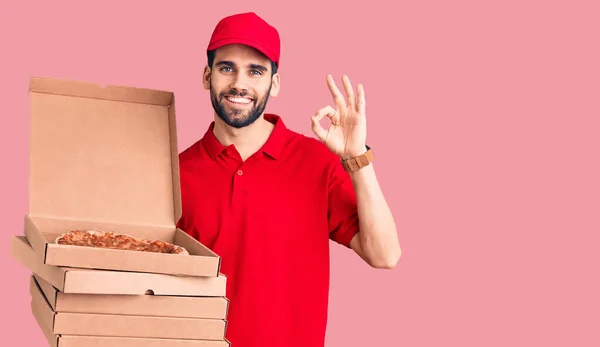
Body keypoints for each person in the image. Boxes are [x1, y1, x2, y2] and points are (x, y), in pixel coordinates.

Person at [176, 11, 401, 347]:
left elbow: (385, 255)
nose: (240, 83)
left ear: (274, 83)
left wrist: (357, 158)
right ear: (207, 76)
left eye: (255, 71)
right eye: (227, 68)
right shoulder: (175, 171)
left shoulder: (316, 162)